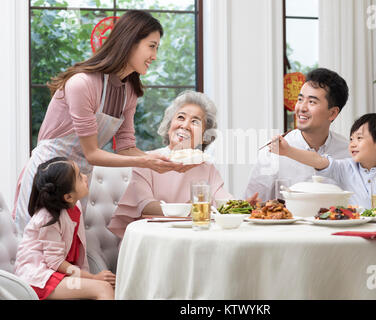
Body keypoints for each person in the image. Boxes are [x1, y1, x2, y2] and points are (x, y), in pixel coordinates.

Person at [13, 10, 193, 236]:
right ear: (130, 42)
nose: (155, 56)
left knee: (69, 252)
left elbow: (126, 146)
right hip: (47, 178)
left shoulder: (130, 92)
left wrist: (162, 158)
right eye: (152, 46)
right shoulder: (82, 84)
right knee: (39, 252)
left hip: (78, 184)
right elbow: (92, 153)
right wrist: (148, 162)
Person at [108, 91, 258, 238]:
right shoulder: (147, 160)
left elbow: (222, 202)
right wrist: (192, 209)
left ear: (204, 136)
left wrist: (242, 206)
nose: (185, 125)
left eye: (195, 122)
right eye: (180, 117)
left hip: (194, 238)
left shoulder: (207, 168)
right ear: (169, 125)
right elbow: (144, 205)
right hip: (155, 237)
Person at [269, 113, 376, 211]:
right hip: (352, 232)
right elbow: (318, 160)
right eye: (351, 139)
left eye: (359, 138)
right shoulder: (345, 168)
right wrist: (287, 151)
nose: (352, 144)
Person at [15, 157, 116, 300]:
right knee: (103, 287)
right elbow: (55, 262)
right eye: (80, 177)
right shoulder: (48, 218)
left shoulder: (75, 206)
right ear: (68, 196)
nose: (85, 177)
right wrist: (93, 277)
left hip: (54, 274)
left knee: (107, 286)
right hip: (38, 280)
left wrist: (89, 278)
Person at [244, 68, 350, 201]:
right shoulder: (273, 151)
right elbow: (250, 205)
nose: (302, 108)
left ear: (333, 113)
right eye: (300, 99)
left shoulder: (348, 152)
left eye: (312, 102)